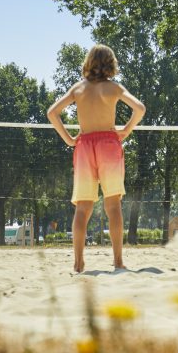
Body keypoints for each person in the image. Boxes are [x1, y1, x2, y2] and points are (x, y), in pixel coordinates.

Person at [47, 44, 146, 273]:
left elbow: (52, 113)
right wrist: (126, 130)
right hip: (109, 144)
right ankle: (118, 262)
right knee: (113, 206)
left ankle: (78, 262)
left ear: (88, 63)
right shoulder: (114, 88)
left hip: (84, 145)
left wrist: (69, 139)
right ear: (111, 64)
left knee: (82, 209)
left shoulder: (78, 89)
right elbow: (139, 108)